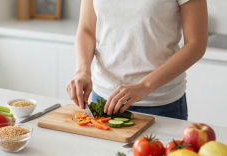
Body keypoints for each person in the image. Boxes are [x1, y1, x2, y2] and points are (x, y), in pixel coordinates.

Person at [66, 0, 208, 120]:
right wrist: (83, 72)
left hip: (159, 104)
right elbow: (87, 30)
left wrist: (145, 86)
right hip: (103, 98)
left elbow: (196, 44)